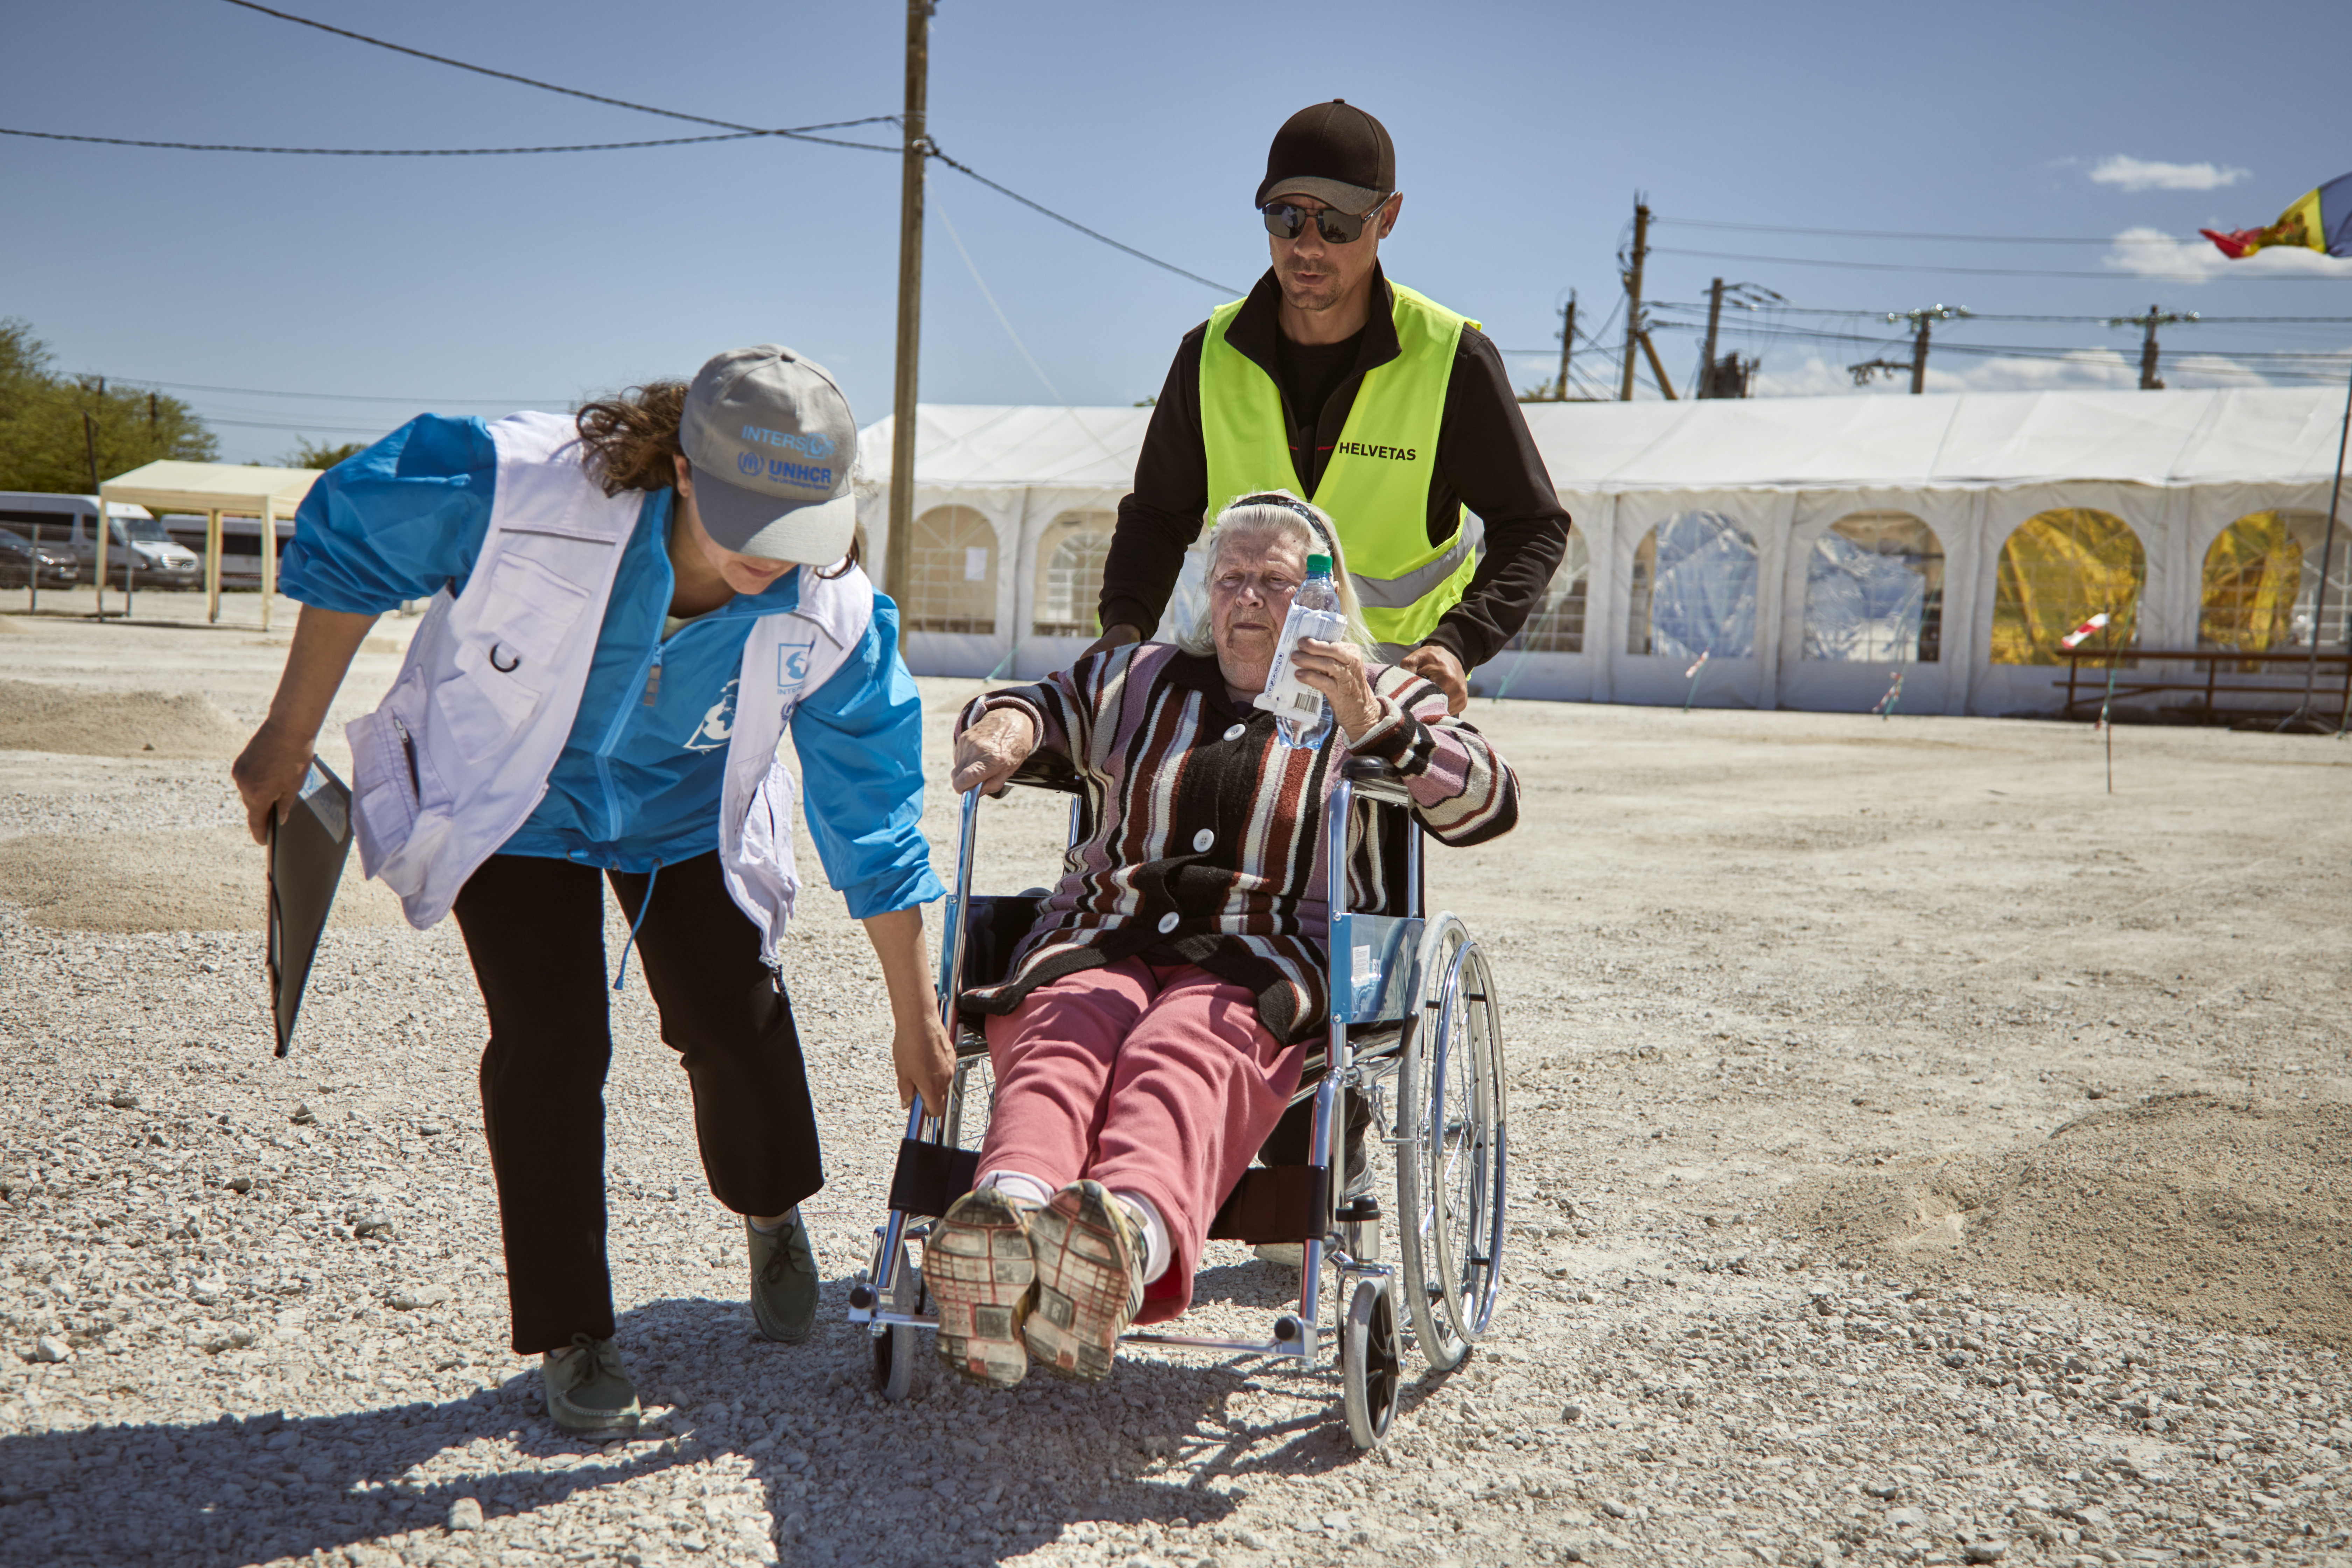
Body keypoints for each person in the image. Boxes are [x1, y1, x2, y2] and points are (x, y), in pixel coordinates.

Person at [230, 346, 955, 1435]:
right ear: (679, 471)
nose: (770, 556)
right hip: (517, 807)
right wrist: (286, 737)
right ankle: (572, 1327)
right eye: (743, 518)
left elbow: (874, 811)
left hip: (684, 816)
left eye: (793, 525)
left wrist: (916, 1017)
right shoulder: (515, 489)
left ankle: (770, 1208)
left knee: (732, 1017)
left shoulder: (835, 612)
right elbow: (350, 533)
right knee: (552, 1044)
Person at [927, 492, 1521, 1388]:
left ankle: (1125, 1237)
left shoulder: (1375, 687)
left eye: (1274, 580)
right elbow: (1033, 701)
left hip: (1264, 951)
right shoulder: (1138, 676)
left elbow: (1489, 799)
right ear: (1206, 592)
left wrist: (1367, 714)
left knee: (1183, 1045)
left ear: (1323, 594)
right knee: (1061, 1036)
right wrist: (1009, 726)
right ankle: (1006, 1225)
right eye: (1230, 578)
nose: (1247, 597)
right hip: (1102, 931)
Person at [1089, 98, 1573, 717]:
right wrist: (1123, 629)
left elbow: (1533, 527)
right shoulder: (1208, 354)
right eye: (1286, 216)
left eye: (1338, 222)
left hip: (1386, 697)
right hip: (1243, 688)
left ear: (1388, 217)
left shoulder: (1454, 360)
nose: (1308, 246)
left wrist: (1458, 645)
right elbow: (1158, 516)